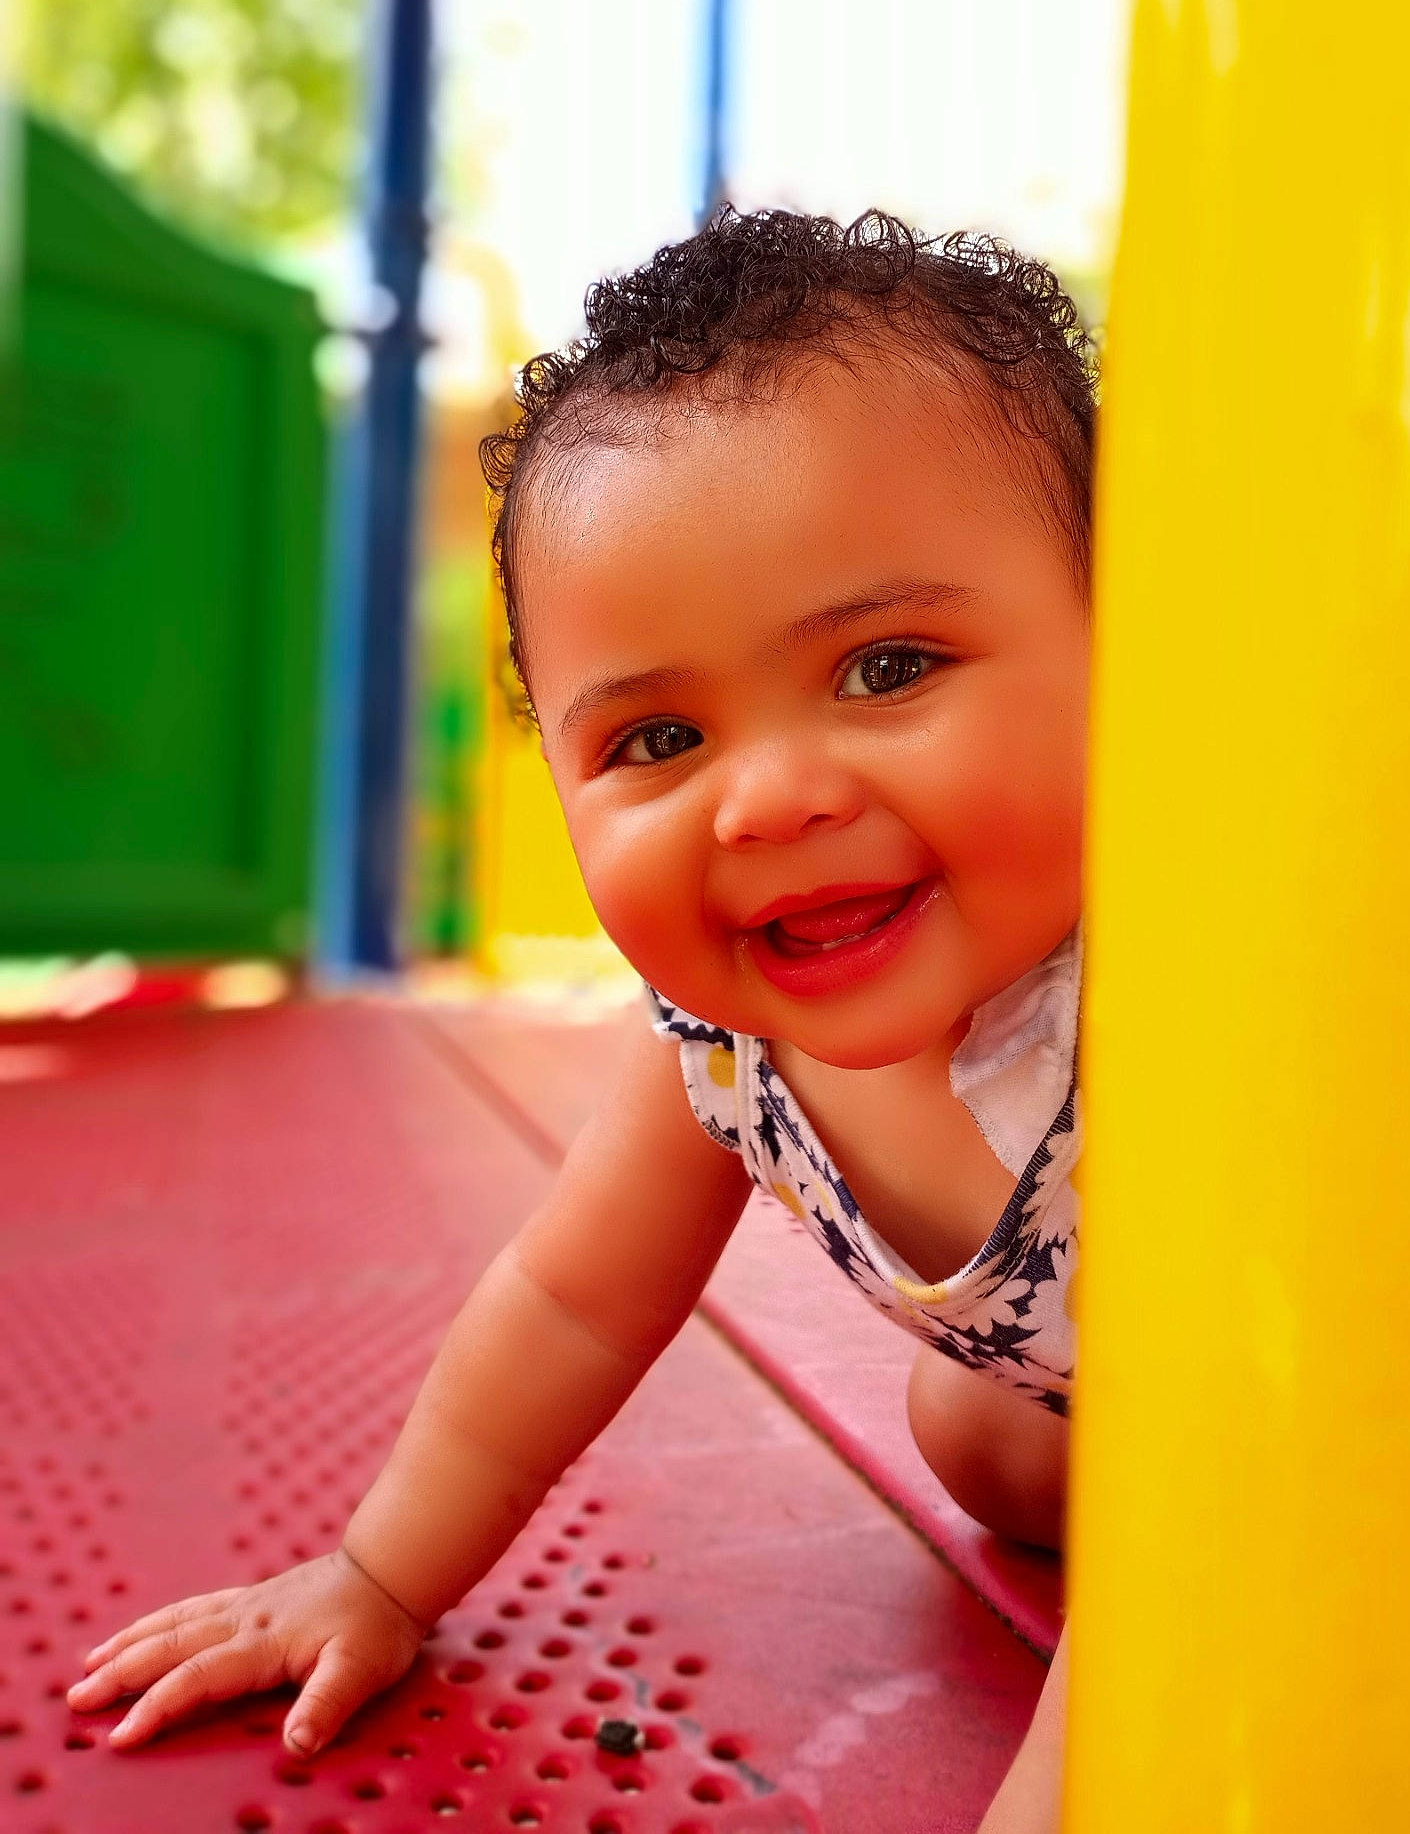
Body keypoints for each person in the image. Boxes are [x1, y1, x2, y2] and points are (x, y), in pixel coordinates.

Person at [66, 208, 1096, 1833]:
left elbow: (1215, 1508)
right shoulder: (721, 1043)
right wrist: (378, 1577)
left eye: (888, 665)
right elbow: (570, 1303)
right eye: (660, 734)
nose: (766, 799)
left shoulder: (1181, 1020)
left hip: (1343, 1392)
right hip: (1080, 1393)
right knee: (976, 1436)